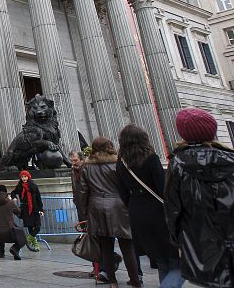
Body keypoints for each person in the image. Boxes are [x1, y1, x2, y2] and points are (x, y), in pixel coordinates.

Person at [166, 107, 234, 288]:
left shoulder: (177, 164)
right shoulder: (231, 159)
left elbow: (173, 211)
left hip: (198, 246)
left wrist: (178, 242)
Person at [115, 124, 180, 287]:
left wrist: (134, 205)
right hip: (157, 212)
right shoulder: (151, 158)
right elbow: (162, 187)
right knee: (178, 264)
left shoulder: (121, 163)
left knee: (161, 261)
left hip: (136, 212)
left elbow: (122, 192)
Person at [76, 137, 141, 288]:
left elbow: (83, 192)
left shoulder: (86, 166)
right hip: (119, 206)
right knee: (127, 246)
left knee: (105, 247)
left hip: (96, 206)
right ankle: (135, 280)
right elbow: (127, 186)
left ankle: (112, 281)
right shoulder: (118, 163)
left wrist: (85, 213)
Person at [10, 170, 43, 252]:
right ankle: (35, 245)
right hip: (26, 210)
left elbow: (39, 198)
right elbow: (13, 192)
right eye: (22, 177)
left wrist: (41, 210)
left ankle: (26, 241)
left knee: (37, 227)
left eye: (25, 176)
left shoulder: (33, 186)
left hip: (34, 209)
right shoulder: (20, 186)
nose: (24, 178)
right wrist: (14, 197)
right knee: (30, 228)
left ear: (28, 177)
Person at [0, 184, 22, 260]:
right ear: (6, 192)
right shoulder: (10, 203)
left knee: (0, 234)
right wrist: (10, 200)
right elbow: (18, 212)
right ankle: (15, 248)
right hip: (8, 231)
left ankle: (0, 253)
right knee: (21, 237)